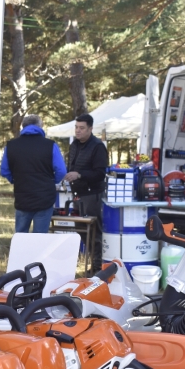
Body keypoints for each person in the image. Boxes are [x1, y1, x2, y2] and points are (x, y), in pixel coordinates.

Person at [0, 114, 67, 233]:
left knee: (20, 236)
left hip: (22, 196)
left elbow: (4, 170)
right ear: (40, 126)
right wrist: (52, 180)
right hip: (45, 198)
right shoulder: (50, 145)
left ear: (23, 127)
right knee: (40, 238)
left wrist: (15, 180)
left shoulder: (11, 146)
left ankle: (20, 252)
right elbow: (61, 171)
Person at [63, 113, 108, 274]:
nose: (78, 131)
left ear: (90, 128)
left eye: (82, 128)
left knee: (94, 232)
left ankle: (98, 267)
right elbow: (72, 165)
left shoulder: (97, 146)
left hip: (92, 194)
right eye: (76, 127)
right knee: (81, 231)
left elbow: (100, 173)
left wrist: (80, 175)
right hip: (77, 194)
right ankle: (91, 263)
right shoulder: (74, 145)